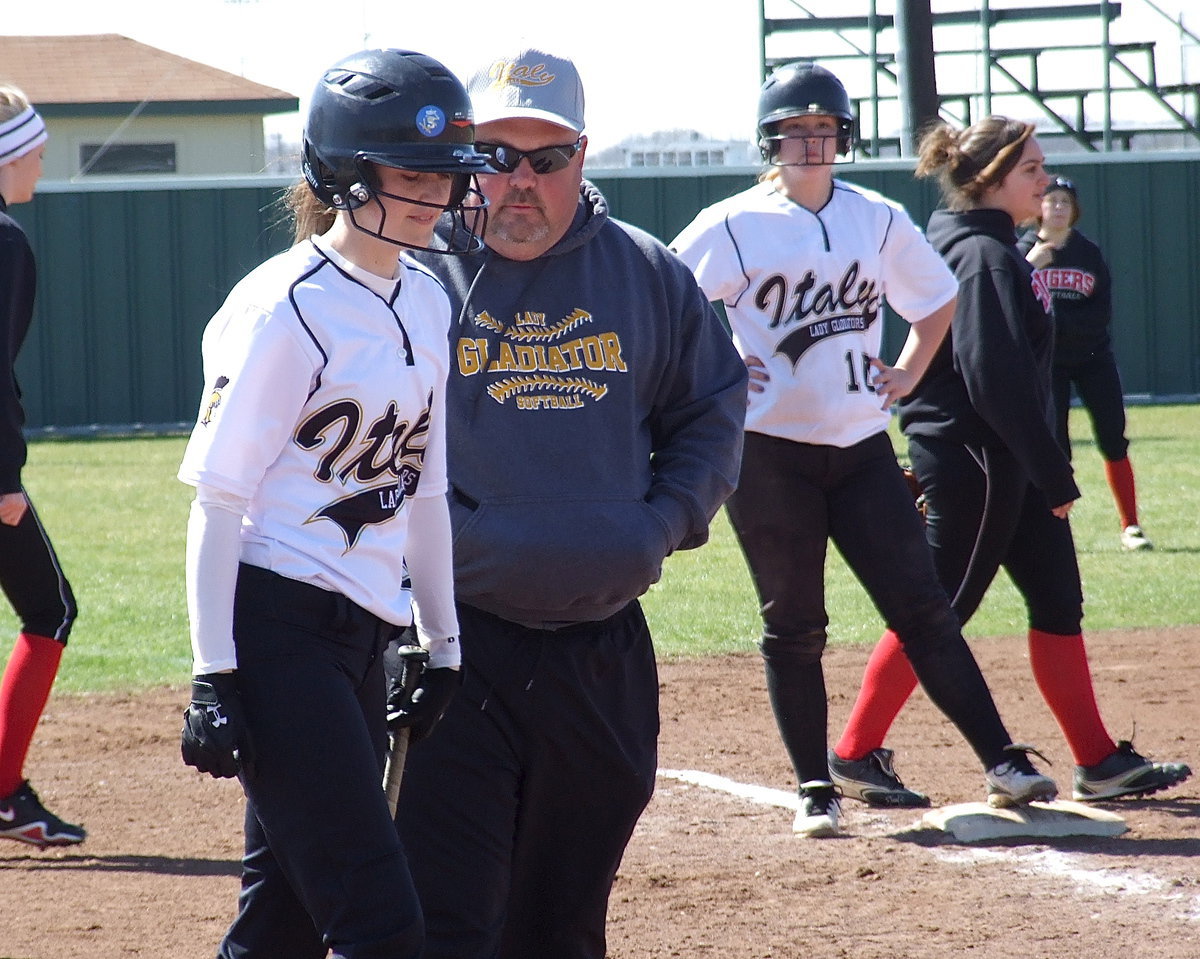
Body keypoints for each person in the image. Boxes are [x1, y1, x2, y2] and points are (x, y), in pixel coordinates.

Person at [391, 47, 748, 959]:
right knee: (450, 925)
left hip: (601, 654)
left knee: (562, 926)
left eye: (545, 158)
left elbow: (712, 408)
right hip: (452, 647)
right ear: (466, 156)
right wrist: (447, 541)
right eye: (497, 155)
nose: (520, 180)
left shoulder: (648, 273)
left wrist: (659, 523)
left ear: (581, 157)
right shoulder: (413, 273)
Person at [669, 62, 1058, 836]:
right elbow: (666, 297)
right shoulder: (735, 222)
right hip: (770, 453)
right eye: (795, 130)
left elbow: (937, 298)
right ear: (770, 139)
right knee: (794, 624)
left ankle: (1003, 761)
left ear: (843, 136)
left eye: (824, 128)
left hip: (859, 446)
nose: (811, 142)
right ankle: (816, 786)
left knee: (924, 608)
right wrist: (717, 358)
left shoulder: (874, 217)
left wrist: (909, 370)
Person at [176, 49, 490, 958]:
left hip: (363, 635)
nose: (435, 192)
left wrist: (441, 641)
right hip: (279, 634)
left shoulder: (426, 301)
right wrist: (214, 671)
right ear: (345, 172)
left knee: (279, 921)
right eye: (409, 171)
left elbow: (424, 488)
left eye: (444, 172)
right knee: (379, 922)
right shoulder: (284, 308)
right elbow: (219, 500)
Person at [831, 116, 1191, 806]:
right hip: (977, 456)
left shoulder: (991, 246)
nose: (1045, 181)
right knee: (936, 609)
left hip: (1006, 456)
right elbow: (991, 378)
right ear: (992, 181)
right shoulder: (982, 255)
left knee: (1057, 599)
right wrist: (1052, 470)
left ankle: (1097, 760)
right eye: (1030, 169)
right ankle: (853, 752)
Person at [0, 85, 85, 848]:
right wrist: (5, 477)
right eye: (36, 151)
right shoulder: (6, 239)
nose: (41, 165)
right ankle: (2, 793)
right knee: (50, 608)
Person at [1017, 176, 1152, 552]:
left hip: (1093, 357)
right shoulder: (1024, 251)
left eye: (1065, 201)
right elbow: (1012, 303)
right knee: (1056, 445)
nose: (1058, 207)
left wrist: (1061, 326)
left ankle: (1130, 525)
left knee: (1113, 437)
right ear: (1039, 207)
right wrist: (1028, 267)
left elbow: (1101, 308)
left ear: (1075, 210)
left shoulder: (1087, 252)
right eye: (1052, 200)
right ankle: (1057, 530)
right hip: (1048, 364)